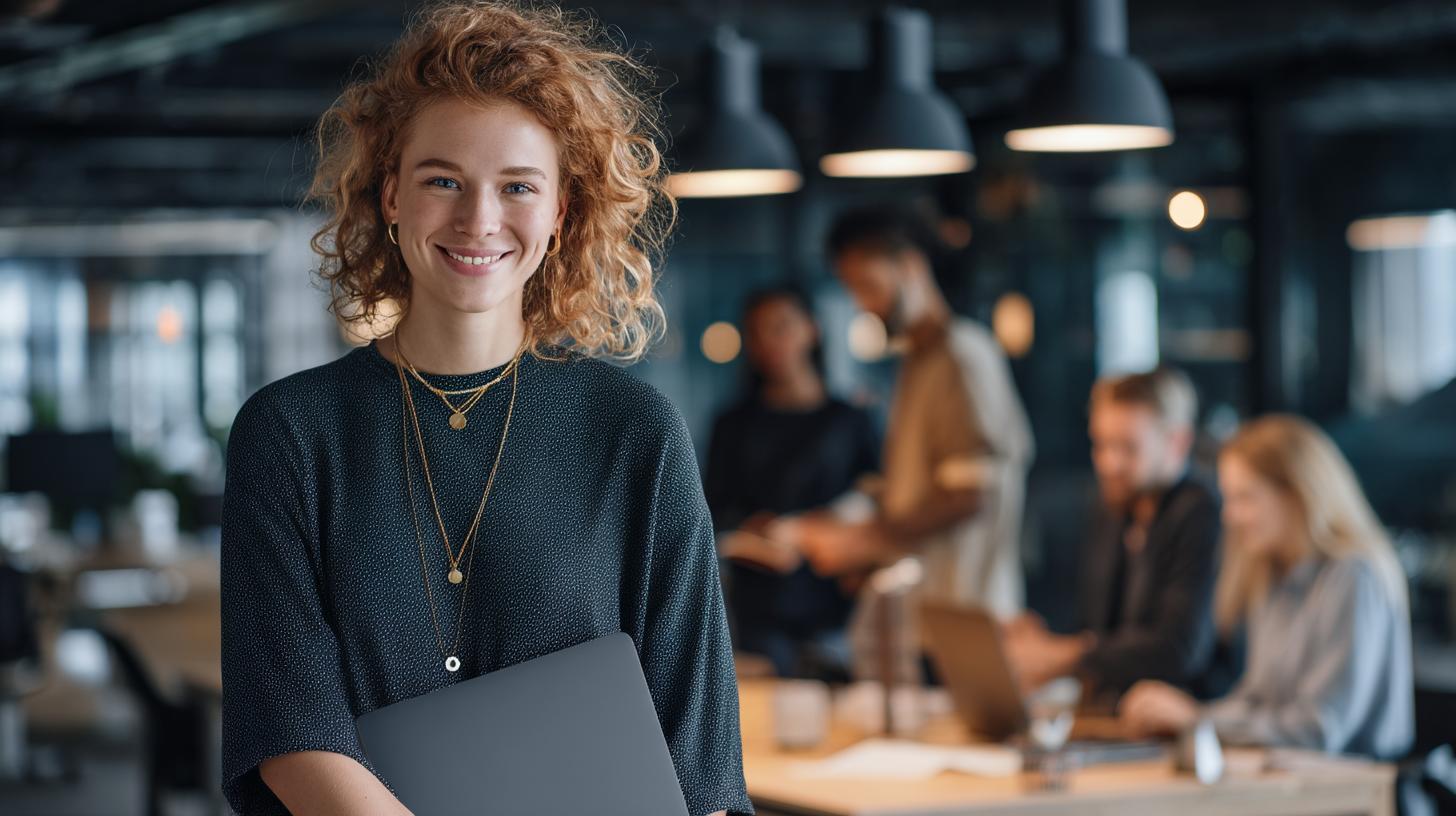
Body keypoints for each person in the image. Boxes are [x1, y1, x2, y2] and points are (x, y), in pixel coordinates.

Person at [219, 4, 749, 815]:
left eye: (518, 187)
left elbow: (699, 753)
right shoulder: (290, 432)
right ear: (390, 196)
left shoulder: (635, 432)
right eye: (443, 181)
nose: (479, 220)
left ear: (560, 213)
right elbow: (292, 735)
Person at [1120, 415, 1413, 760]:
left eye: (1245, 498)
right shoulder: (1273, 574)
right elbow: (1256, 700)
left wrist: (1199, 721)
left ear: (1297, 494)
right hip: (1292, 779)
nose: (1229, 516)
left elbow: (1320, 728)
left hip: (1355, 784)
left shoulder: (1354, 576)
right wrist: (1190, 717)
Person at [798, 208, 1033, 619]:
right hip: (929, 609)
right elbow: (915, 491)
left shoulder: (962, 356)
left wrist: (864, 540)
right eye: (854, 290)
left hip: (967, 612)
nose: (864, 305)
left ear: (910, 266)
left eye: (869, 286)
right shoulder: (918, 361)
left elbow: (970, 495)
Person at [1003, 367, 1226, 705]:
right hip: (1114, 713)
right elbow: (1099, 630)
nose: (1108, 463)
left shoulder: (1202, 513)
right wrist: (1043, 639)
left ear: (1177, 443)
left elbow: (1179, 649)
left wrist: (1066, 655)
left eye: (1128, 448)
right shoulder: (1113, 506)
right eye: (1101, 444)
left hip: (1186, 716)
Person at [703, 285, 880, 679]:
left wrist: (832, 532)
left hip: (839, 601)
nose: (769, 341)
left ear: (811, 329)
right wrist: (750, 530)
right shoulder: (733, 425)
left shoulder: (850, 421)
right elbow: (711, 510)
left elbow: (876, 497)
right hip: (761, 605)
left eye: (781, 327)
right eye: (757, 332)